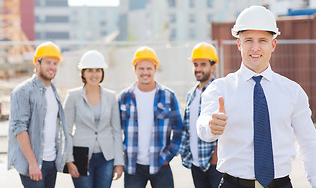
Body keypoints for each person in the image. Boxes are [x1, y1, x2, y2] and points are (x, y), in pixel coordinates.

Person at [197, 6, 316, 188]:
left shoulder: (293, 91)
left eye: (263, 40)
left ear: (273, 45)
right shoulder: (220, 89)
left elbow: (309, 144)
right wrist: (211, 126)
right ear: (239, 44)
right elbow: (204, 127)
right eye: (248, 40)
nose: (255, 47)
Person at [118, 46, 183, 188]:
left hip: (160, 164)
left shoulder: (168, 96)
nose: (145, 72)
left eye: (149, 68)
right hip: (133, 166)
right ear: (134, 70)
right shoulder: (124, 97)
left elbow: (179, 129)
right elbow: (116, 131)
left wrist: (167, 156)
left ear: (155, 69)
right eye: (141, 68)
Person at [8, 42, 68, 188]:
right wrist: (33, 163)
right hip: (34, 164)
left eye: (55, 63)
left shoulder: (54, 92)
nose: (52, 67)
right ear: (37, 62)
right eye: (48, 62)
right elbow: (19, 128)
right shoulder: (23, 91)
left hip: (51, 161)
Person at [64, 50, 124, 188]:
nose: (94, 74)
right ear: (83, 73)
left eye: (98, 70)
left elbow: (116, 131)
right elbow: (66, 130)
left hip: (106, 157)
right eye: (90, 70)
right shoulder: (73, 96)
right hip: (80, 155)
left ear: (103, 73)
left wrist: (119, 162)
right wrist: (69, 160)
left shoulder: (110, 97)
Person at [179, 42, 222, 188]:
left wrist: (216, 156)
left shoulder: (220, 91)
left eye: (202, 64)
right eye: (195, 64)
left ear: (213, 66)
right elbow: (187, 127)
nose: (198, 69)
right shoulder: (191, 94)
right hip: (196, 163)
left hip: (215, 164)